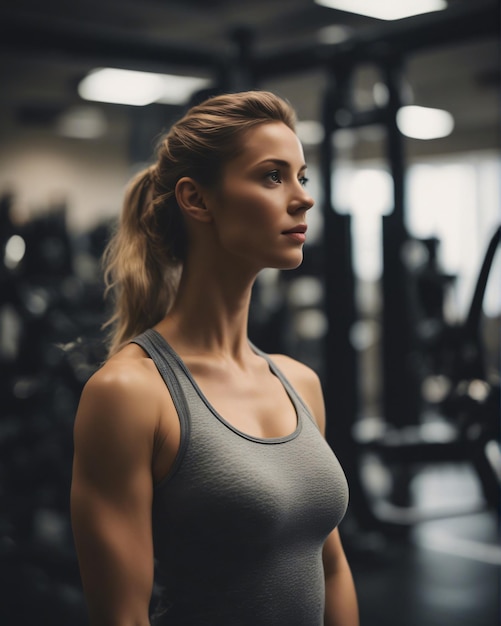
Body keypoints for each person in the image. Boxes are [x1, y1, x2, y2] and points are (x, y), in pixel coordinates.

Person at [70, 90, 359, 626]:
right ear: (197, 199)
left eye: (302, 176)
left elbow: (332, 568)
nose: (303, 198)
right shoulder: (130, 394)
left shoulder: (300, 383)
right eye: (273, 176)